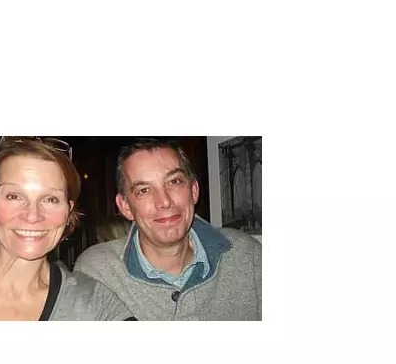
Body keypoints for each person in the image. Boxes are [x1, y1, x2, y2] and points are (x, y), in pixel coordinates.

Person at [74, 138, 262, 321]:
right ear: (125, 207)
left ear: (194, 191)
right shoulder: (97, 272)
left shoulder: (248, 254)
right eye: (144, 190)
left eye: (174, 181)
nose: (164, 201)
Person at [0, 137, 135, 321]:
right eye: (14, 196)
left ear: (68, 212)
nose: (32, 216)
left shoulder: (95, 303)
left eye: (51, 199)